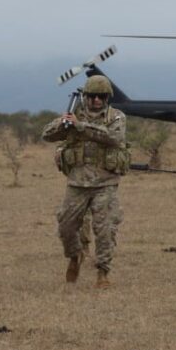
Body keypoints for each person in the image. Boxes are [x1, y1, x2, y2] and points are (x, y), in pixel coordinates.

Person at [41, 75, 129, 288]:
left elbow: (114, 138)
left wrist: (81, 127)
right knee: (66, 227)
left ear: (107, 97)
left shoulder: (116, 117)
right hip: (77, 183)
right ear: (85, 97)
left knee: (105, 229)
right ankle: (75, 256)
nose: (97, 100)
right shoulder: (74, 115)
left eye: (101, 96)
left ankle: (103, 272)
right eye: (92, 96)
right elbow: (46, 135)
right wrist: (63, 124)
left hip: (105, 182)